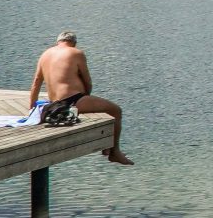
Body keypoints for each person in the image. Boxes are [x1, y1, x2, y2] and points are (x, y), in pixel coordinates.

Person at [29, 29, 134, 165]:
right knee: (116, 111)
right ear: (73, 43)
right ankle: (115, 153)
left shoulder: (45, 54)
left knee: (107, 109)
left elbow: (36, 83)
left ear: (58, 42)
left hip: (54, 104)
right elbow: (88, 81)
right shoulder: (76, 53)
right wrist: (86, 96)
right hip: (73, 101)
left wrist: (31, 108)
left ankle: (108, 148)